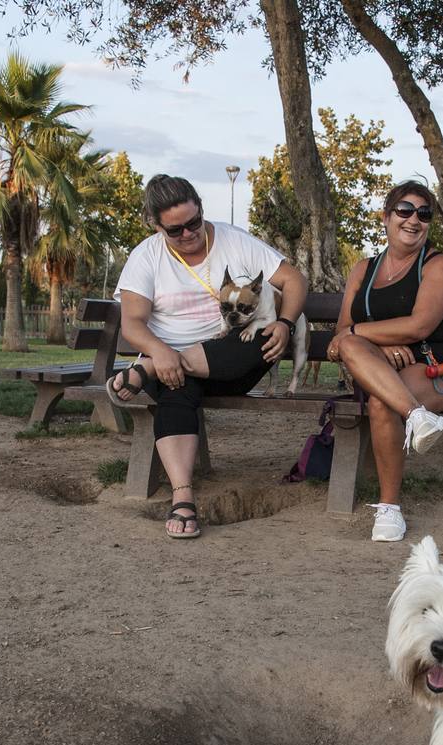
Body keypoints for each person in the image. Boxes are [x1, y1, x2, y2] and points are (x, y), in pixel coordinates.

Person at [109, 174, 308, 538]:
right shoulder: (146, 256)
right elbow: (133, 324)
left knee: (257, 337)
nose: (188, 234)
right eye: (175, 230)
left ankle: (147, 370)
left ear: (201, 208)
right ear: (156, 226)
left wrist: (285, 322)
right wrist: (159, 350)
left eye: (194, 223)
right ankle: (183, 497)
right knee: (176, 389)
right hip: (170, 361)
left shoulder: (235, 241)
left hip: (232, 359)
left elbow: (295, 280)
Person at [326, 181, 443, 542]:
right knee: (354, 346)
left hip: (433, 363)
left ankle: (389, 509)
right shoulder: (363, 269)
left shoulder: (440, 265)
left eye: (423, 213)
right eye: (404, 210)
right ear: (386, 218)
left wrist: (361, 333)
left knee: (383, 400)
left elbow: (420, 326)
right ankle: (418, 417)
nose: (413, 220)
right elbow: (342, 334)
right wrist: (378, 346)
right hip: (375, 363)